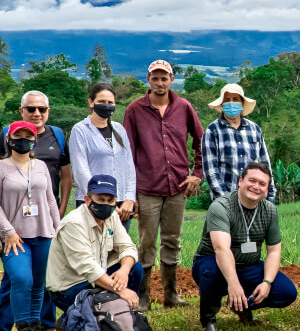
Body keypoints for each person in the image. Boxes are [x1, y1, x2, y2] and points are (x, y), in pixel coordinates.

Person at [0, 91, 68, 331]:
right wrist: (8, 231)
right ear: (10, 139)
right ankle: (22, 328)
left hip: (43, 233)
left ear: (33, 141)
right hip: (15, 236)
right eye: (19, 136)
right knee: (21, 279)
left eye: (28, 137)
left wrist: (57, 228)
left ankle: (34, 324)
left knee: (39, 283)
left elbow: (50, 198)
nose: (24, 140)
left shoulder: (40, 166)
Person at [124, 59, 204, 309]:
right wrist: (130, 193)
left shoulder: (183, 107)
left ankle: (171, 294)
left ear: (172, 79)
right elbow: (127, 152)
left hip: (178, 187)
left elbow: (201, 141)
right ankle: (144, 295)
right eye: (155, 78)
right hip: (147, 187)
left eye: (164, 78)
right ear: (148, 80)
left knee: (172, 239)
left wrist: (197, 173)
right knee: (147, 242)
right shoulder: (135, 110)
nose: (160, 83)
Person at [192, 162, 298, 331]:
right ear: (240, 181)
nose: (256, 187)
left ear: (266, 189)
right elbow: (221, 249)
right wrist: (233, 283)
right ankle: (208, 320)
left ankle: (242, 306)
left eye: (262, 184)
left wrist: (267, 282)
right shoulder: (221, 207)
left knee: (286, 292)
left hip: (249, 266)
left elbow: (273, 251)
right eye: (252, 180)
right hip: (214, 263)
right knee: (211, 270)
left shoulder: (269, 211)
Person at [46, 175, 143, 312]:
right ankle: (74, 320)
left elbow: (128, 247)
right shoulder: (74, 223)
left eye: (110, 200)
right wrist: (121, 291)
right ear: (87, 200)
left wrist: (123, 271)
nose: (106, 204)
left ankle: (123, 314)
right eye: (101, 199)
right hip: (70, 286)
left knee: (135, 269)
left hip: (97, 277)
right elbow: (87, 266)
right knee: (100, 311)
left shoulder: (112, 216)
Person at [69, 83, 136, 230]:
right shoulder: (80, 130)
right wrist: (103, 201)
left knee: (118, 250)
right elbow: (81, 171)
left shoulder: (119, 129)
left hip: (121, 203)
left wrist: (130, 199)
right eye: (101, 102)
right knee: (92, 249)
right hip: (93, 202)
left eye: (110, 103)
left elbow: (129, 167)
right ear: (91, 102)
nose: (106, 106)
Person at [202, 83, 276, 202]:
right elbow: (211, 171)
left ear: (242, 103)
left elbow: (265, 166)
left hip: (254, 199)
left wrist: (270, 195)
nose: (231, 103)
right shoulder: (213, 130)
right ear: (222, 104)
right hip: (224, 201)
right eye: (227, 100)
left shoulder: (254, 129)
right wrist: (226, 201)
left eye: (235, 99)